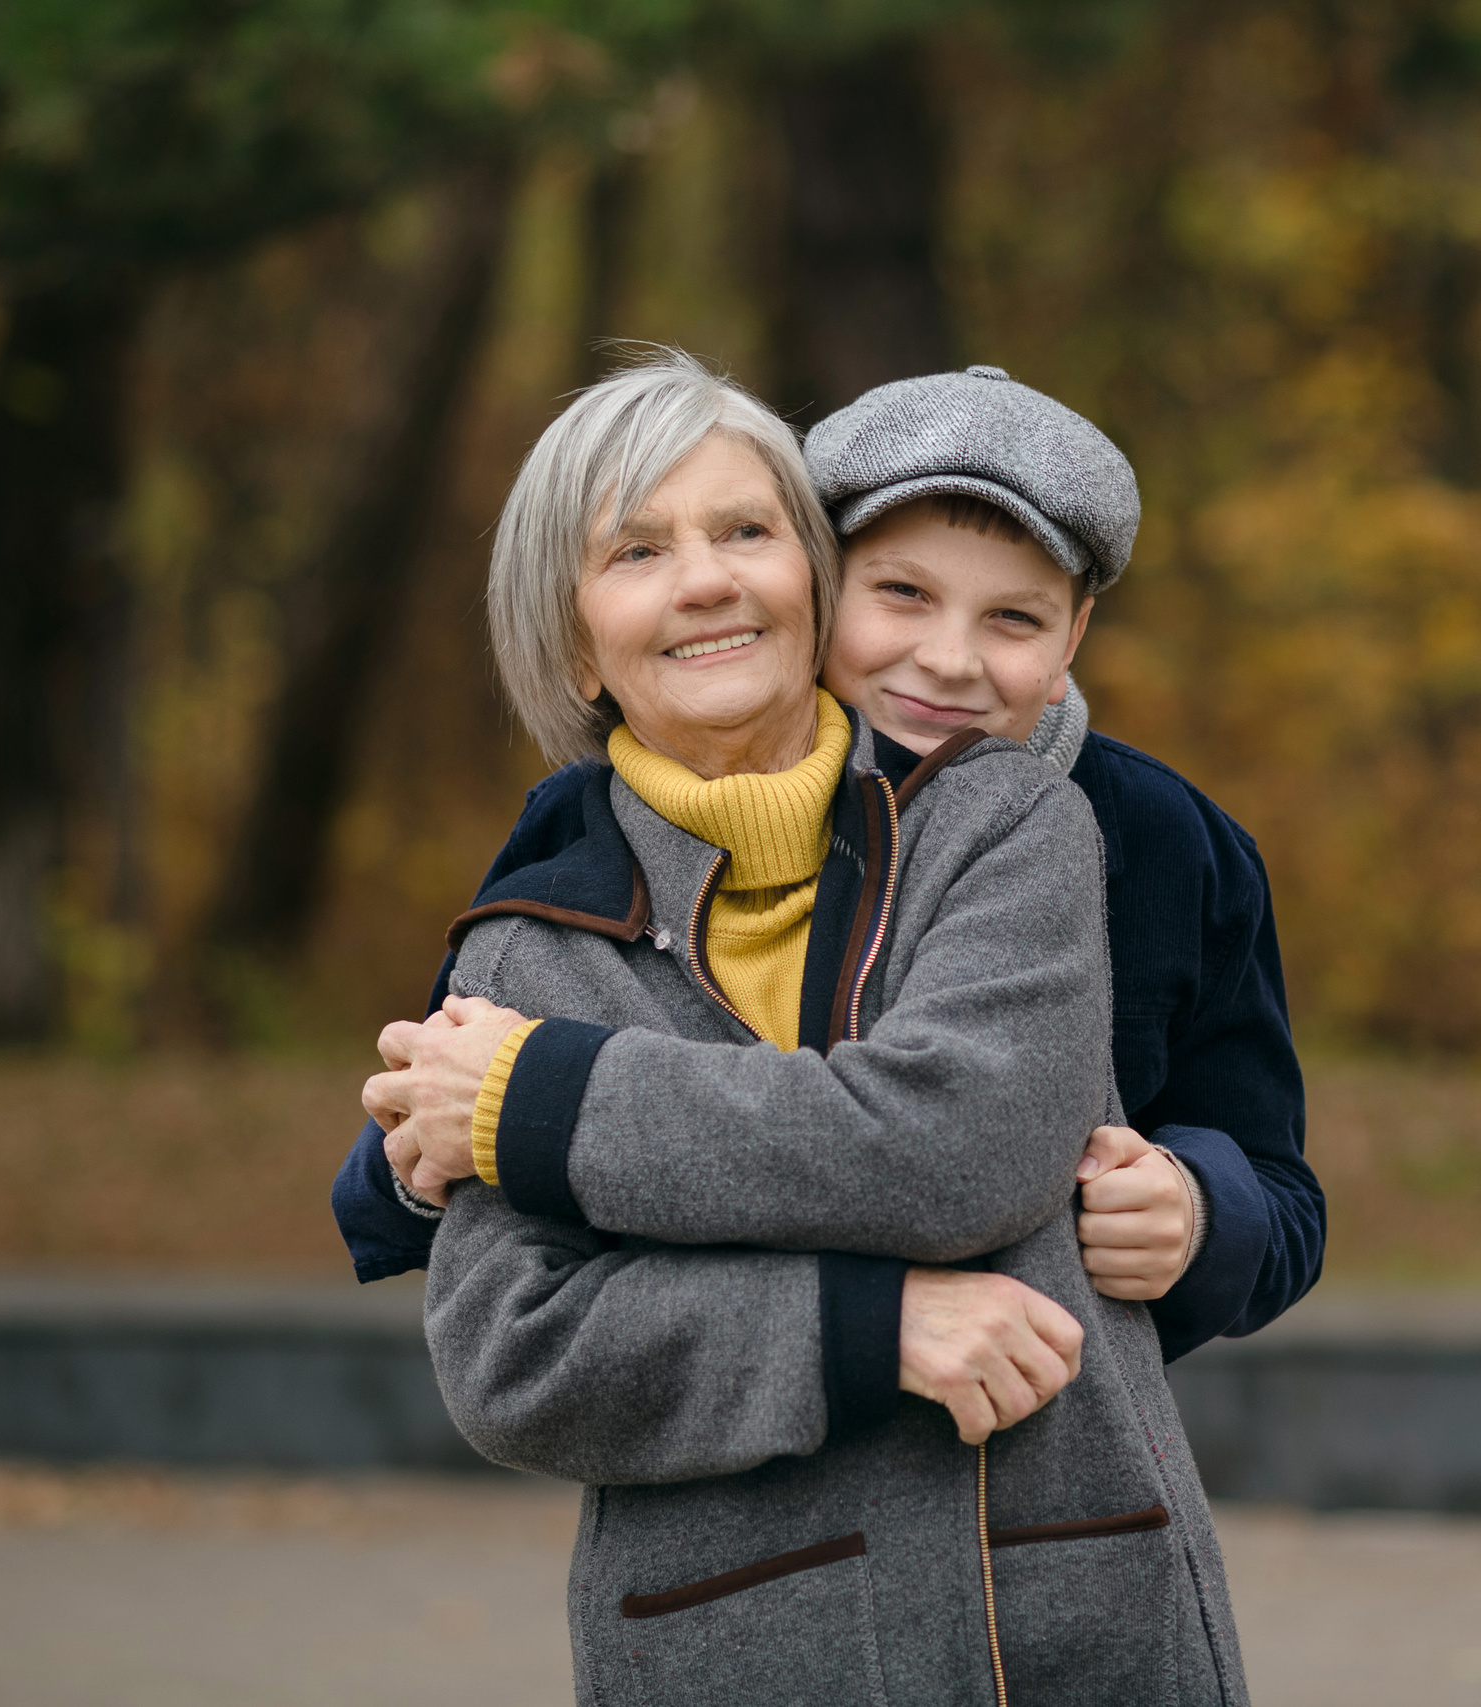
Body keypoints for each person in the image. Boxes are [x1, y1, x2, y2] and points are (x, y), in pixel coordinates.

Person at [348, 351, 1245, 1703]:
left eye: (745, 530)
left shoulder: (1004, 822)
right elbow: (512, 1353)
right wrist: (863, 1325)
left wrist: (540, 1105)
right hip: (727, 1647)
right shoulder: (525, 947)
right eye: (638, 550)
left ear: (811, 577)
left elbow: (965, 1146)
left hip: (1071, 1622)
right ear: (575, 643)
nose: (705, 579)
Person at [336, 365, 1321, 1364]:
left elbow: (1277, 1188)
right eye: (902, 594)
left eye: (1013, 619)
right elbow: (450, 1102)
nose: (948, 658)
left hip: (1033, 1396)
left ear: (1072, 636)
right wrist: (420, 1162)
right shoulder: (594, 825)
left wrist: (1202, 1214)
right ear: (821, 581)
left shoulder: (1161, 838)